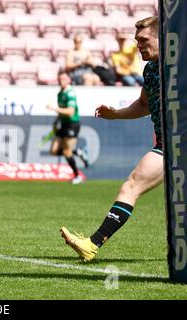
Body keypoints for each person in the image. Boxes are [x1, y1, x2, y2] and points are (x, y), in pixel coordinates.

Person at [61, 16, 161, 262]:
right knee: (131, 186)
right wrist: (115, 114)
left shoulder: (180, 65)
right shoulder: (150, 70)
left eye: (144, 40)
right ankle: (92, 244)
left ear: (164, 38)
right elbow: (144, 104)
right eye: (137, 41)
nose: (138, 45)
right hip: (168, 145)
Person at [46, 71, 89, 185]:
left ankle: (77, 176)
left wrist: (54, 109)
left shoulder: (70, 93)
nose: (61, 81)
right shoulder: (60, 93)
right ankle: (78, 152)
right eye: (60, 79)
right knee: (54, 151)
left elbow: (70, 112)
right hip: (63, 124)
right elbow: (62, 112)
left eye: (64, 79)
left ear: (69, 80)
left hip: (72, 124)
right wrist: (56, 121)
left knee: (66, 151)